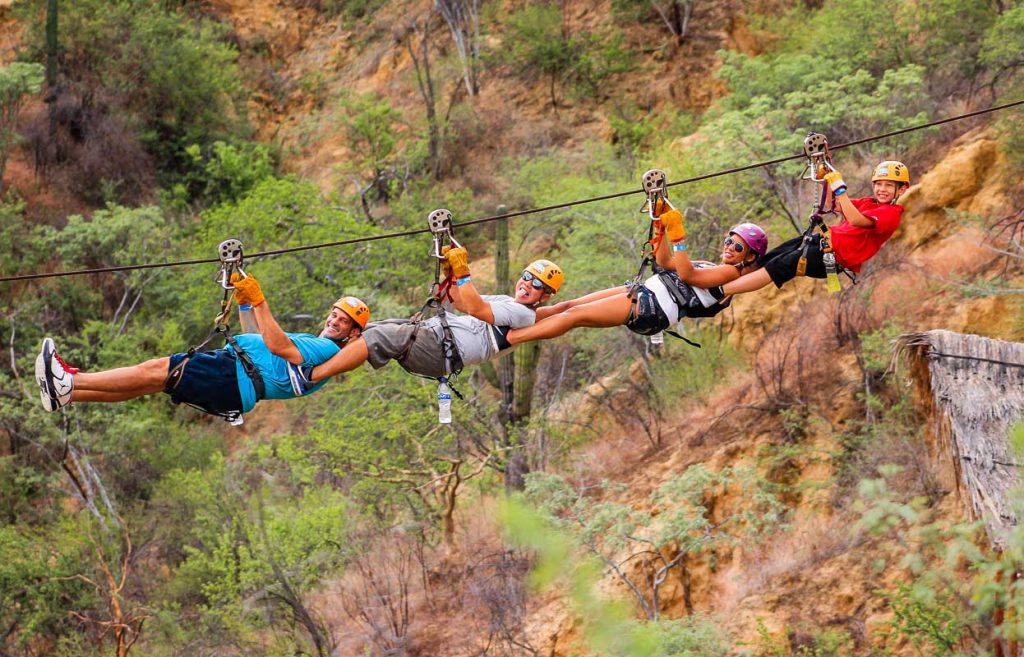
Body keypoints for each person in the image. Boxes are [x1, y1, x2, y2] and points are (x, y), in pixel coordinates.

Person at [34, 273, 370, 420]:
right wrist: (244, 304)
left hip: (232, 377)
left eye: (344, 321)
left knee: (153, 370)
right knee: (150, 381)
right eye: (334, 314)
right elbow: (258, 340)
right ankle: (68, 393)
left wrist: (260, 300)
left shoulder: (328, 352)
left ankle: (70, 381)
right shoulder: (317, 344)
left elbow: (279, 346)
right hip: (234, 375)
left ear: (353, 334)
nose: (334, 321)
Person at [292, 247, 565, 386]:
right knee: (372, 328)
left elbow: (475, 307)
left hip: (440, 351)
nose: (528, 285)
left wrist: (463, 272)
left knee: (377, 336)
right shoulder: (508, 302)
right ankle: (318, 351)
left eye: (537, 285)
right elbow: (461, 300)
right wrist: (450, 271)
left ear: (545, 296)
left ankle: (313, 375)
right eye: (527, 277)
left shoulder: (522, 314)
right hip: (436, 338)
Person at [504, 204, 767, 345]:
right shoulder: (712, 266)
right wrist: (661, 227)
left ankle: (514, 336)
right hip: (644, 293)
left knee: (574, 315)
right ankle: (515, 318)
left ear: (750, 256)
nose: (729, 247)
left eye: (738, 246)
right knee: (570, 306)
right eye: (728, 241)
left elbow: (688, 276)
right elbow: (665, 262)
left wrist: (679, 237)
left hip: (651, 307)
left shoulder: (732, 275)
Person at [715, 160, 910, 295]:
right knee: (772, 256)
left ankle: (720, 291)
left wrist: (840, 188)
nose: (882, 189)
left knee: (782, 265)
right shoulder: (870, 203)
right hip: (823, 242)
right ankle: (721, 280)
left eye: (888, 185)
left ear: (901, 190)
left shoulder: (891, 214)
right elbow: (835, 205)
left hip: (832, 258)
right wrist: (825, 177)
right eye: (879, 184)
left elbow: (857, 220)